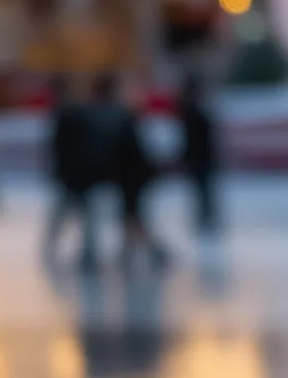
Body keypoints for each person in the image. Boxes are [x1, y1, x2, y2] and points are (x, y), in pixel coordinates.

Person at [43, 76, 104, 269]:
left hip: (73, 174)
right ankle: (86, 250)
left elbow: (58, 148)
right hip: (81, 174)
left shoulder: (65, 115)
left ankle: (59, 246)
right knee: (83, 214)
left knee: (69, 212)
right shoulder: (81, 113)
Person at [107, 76, 169, 266]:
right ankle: (137, 251)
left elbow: (131, 153)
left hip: (131, 180)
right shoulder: (129, 122)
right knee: (132, 216)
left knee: (132, 216)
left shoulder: (127, 123)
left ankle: (148, 250)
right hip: (131, 179)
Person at [177, 75, 220, 237]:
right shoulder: (193, 110)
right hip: (201, 158)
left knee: (203, 191)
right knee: (203, 191)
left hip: (200, 159)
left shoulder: (191, 110)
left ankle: (206, 219)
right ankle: (205, 219)